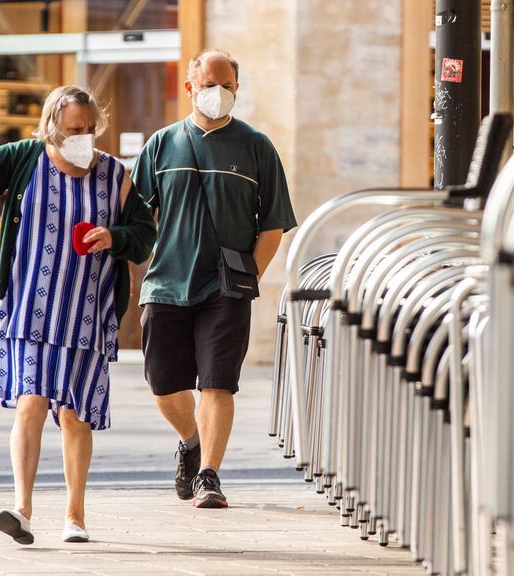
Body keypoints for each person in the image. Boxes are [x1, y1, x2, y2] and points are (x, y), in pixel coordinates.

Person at [0, 85, 156, 544]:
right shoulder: (23, 158)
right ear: (51, 129)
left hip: (86, 316)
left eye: (88, 129)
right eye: (72, 129)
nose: (82, 137)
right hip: (29, 311)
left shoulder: (115, 175)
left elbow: (143, 233)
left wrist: (114, 237)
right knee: (31, 405)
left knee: (75, 416)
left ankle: (75, 516)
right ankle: (22, 508)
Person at [132, 49, 297, 508]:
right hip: (166, 284)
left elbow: (273, 224)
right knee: (164, 385)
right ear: (190, 89)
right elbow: (133, 216)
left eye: (225, 86)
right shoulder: (161, 145)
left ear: (237, 89)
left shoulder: (256, 146)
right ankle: (190, 440)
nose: (217, 94)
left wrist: (249, 276)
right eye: (208, 85)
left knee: (218, 383)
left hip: (226, 289)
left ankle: (209, 475)